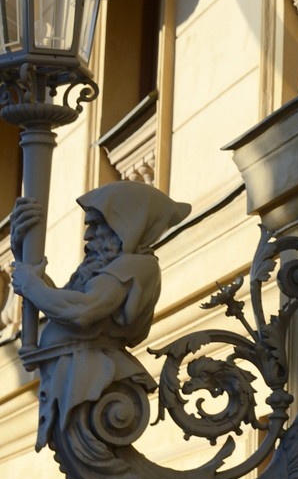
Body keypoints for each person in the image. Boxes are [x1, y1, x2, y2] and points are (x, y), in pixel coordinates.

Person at [10, 182, 190, 448]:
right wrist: (23, 253)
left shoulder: (136, 265)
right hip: (75, 371)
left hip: (93, 375)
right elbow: (63, 302)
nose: (87, 235)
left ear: (126, 225)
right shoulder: (104, 267)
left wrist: (31, 285)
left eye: (96, 225)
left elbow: (83, 311)